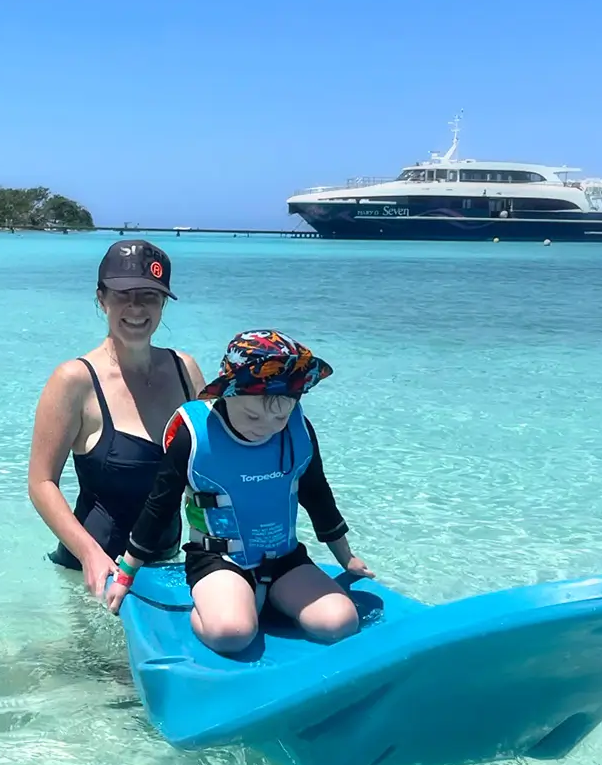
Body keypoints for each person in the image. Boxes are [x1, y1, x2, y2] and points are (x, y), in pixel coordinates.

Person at [105, 330, 374, 654]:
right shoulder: (195, 436)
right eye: (252, 414)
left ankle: (265, 600)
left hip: (283, 558)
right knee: (232, 633)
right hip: (218, 558)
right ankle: (226, 607)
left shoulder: (297, 430)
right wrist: (127, 572)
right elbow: (159, 506)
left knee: (340, 622)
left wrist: (346, 558)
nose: (266, 425)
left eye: (280, 415)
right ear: (227, 394)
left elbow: (317, 494)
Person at [28, 239, 206, 599]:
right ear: (101, 298)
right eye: (123, 295)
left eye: (149, 296)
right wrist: (90, 554)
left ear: (163, 304)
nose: (136, 308)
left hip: (166, 565)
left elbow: (215, 466)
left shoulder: (185, 370)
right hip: (91, 574)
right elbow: (41, 483)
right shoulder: (74, 380)